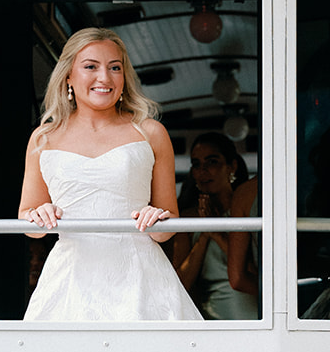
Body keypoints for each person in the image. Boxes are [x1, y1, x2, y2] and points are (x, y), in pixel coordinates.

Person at [18, 28, 202, 322]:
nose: (104, 77)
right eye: (91, 66)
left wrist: (156, 218)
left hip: (141, 281)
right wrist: (40, 215)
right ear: (68, 76)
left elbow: (167, 229)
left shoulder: (151, 132)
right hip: (70, 282)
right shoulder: (43, 137)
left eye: (115, 68)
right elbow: (29, 223)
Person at [174, 134, 258, 320]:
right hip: (209, 319)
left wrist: (218, 235)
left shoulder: (245, 210)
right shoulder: (186, 220)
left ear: (232, 166)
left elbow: (254, 274)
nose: (203, 170)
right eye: (196, 164)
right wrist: (204, 234)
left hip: (252, 315)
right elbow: (179, 286)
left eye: (212, 162)